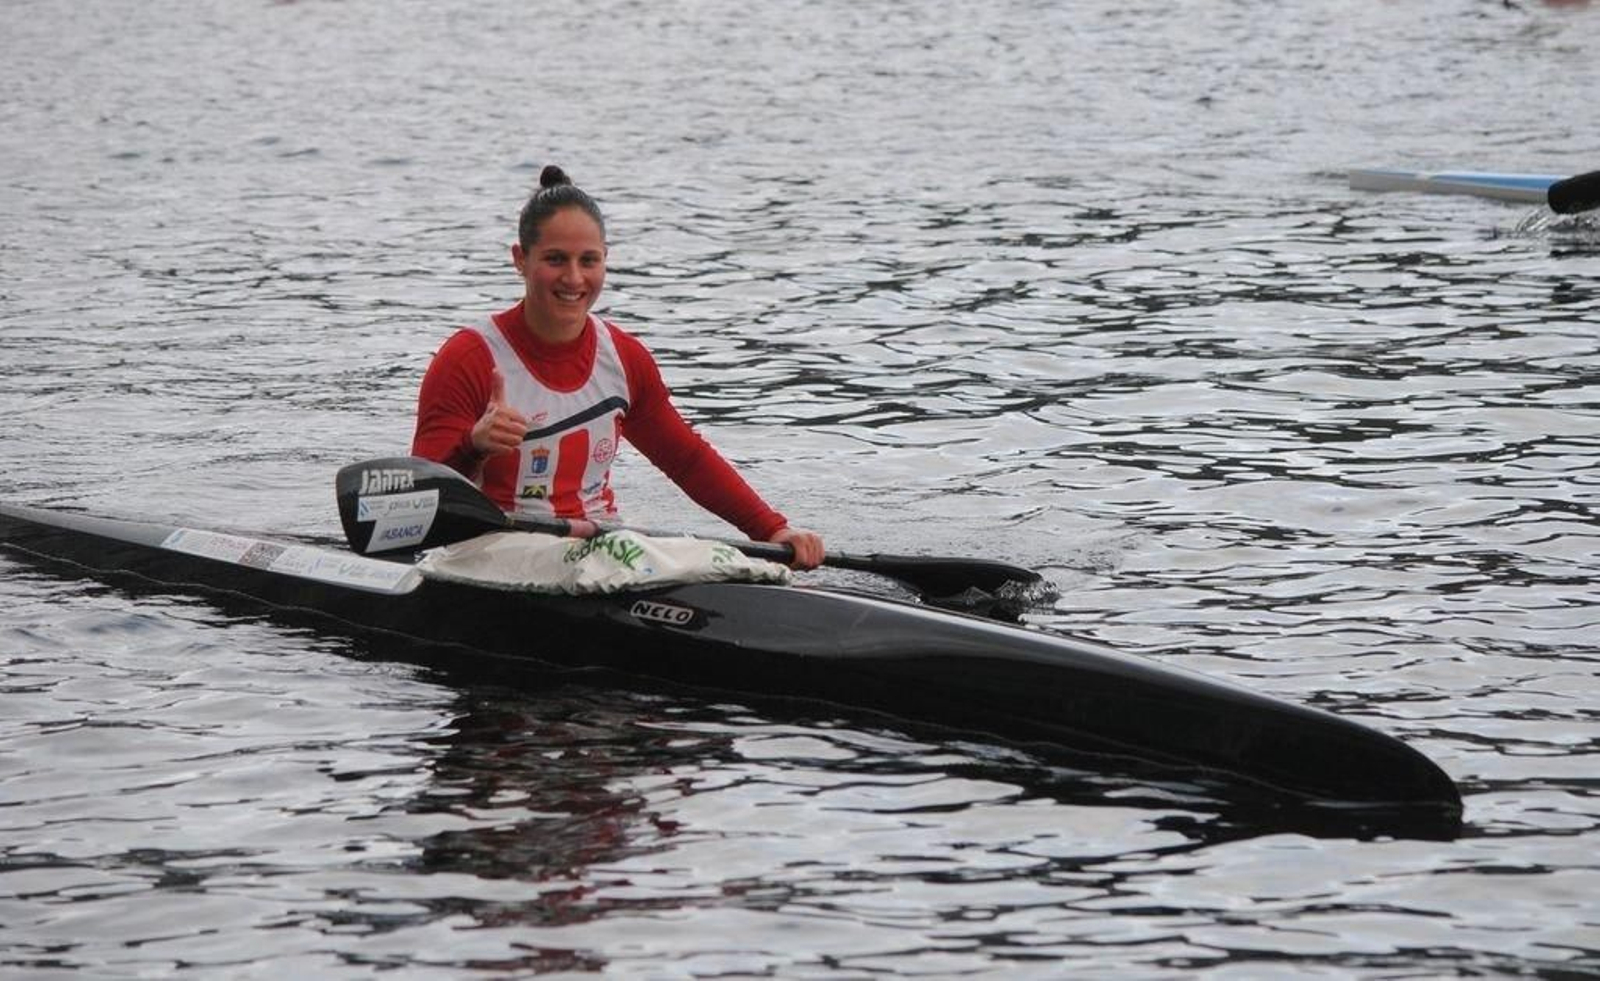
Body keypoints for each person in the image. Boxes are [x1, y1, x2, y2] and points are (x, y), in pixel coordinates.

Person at [411, 165, 825, 570]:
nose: (573, 278)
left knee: (719, 562)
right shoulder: (468, 359)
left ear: (605, 259)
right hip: (490, 550)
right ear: (520, 259)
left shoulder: (623, 358)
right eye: (555, 259)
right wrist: (473, 446)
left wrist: (772, 530)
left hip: (601, 550)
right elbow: (420, 501)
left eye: (588, 261)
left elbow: (686, 459)